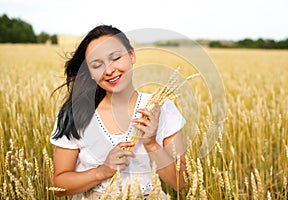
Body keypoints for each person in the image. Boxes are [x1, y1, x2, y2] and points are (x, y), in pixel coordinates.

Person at [50, 25, 186, 199]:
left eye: (115, 58)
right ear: (90, 73)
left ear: (131, 56)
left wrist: (151, 143)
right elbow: (58, 186)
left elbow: (181, 182)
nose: (108, 70)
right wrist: (103, 171)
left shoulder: (162, 109)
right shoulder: (76, 115)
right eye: (97, 65)